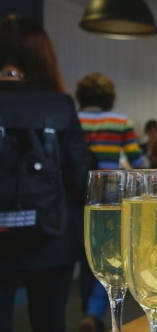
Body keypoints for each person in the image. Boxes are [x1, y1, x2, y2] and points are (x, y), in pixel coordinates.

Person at [0, 15, 90, 332]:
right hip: (52, 239)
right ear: (41, 55)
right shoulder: (60, 105)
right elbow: (80, 178)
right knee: (49, 323)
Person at [76, 72, 144, 331]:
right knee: (109, 256)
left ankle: (86, 310)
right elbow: (137, 162)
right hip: (112, 197)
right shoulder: (119, 121)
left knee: (87, 255)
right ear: (109, 97)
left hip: (79, 197)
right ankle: (94, 311)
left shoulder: (74, 119)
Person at [77, 73, 144, 170]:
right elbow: (137, 161)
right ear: (110, 97)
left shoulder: (72, 119)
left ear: (80, 95)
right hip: (109, 183)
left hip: (76, 183)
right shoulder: (121, 121)